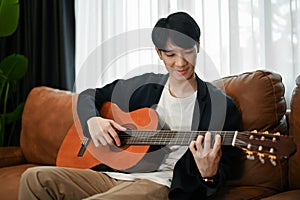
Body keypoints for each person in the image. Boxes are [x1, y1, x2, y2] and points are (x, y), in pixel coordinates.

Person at [18, 12, 241, 200]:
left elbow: (223, 170)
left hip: (161, 182)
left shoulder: (220, 106)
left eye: (188, 52)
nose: (180, 63)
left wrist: (209, 174)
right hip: (114, 175)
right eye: (171, 54)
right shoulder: (144, 86)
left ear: (198, 46)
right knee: (34, 178)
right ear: (159, 54)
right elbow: (89, 95)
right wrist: (92, 121)